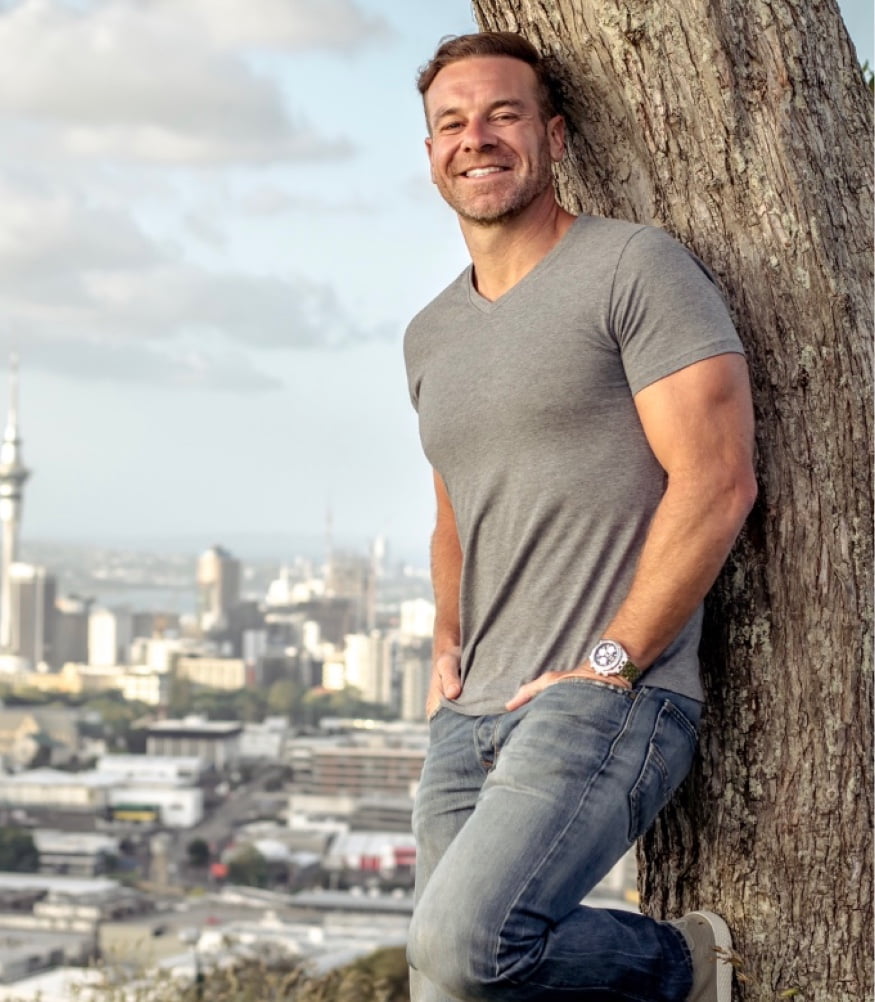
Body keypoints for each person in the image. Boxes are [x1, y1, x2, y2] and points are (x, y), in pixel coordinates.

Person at [403, 31, 757, 1002]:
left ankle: (679, 965)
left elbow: (716, 478)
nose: (476, 138)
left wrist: (614, 662)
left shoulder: (633, 268)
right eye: (452, 123)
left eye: (502, 114)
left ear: (553, 137)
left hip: (605, 695)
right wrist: (445, 637)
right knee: (442, 982)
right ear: (431, 154)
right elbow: (453, 504)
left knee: (465, 950)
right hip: (468, 715)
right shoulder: (429, 334)